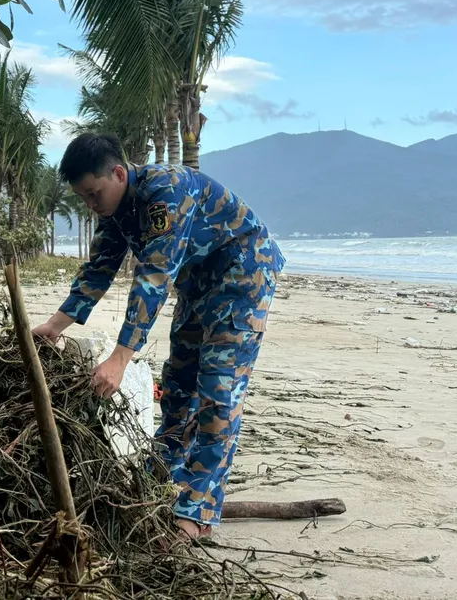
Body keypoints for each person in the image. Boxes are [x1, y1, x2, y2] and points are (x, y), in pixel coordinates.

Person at [32, 134, 285, 541]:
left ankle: (196, 512)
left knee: (219, 390)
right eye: (83, 198)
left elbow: (153, 278)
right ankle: (157, 482)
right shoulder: (115, 210)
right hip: (198, 284)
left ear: (118, 173)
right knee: (178, 384)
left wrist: (118, 359)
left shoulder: (165, 191)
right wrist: (55, 325)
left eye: (94, 194)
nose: (91, 205)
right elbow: (99, 268)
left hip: (243, 276)